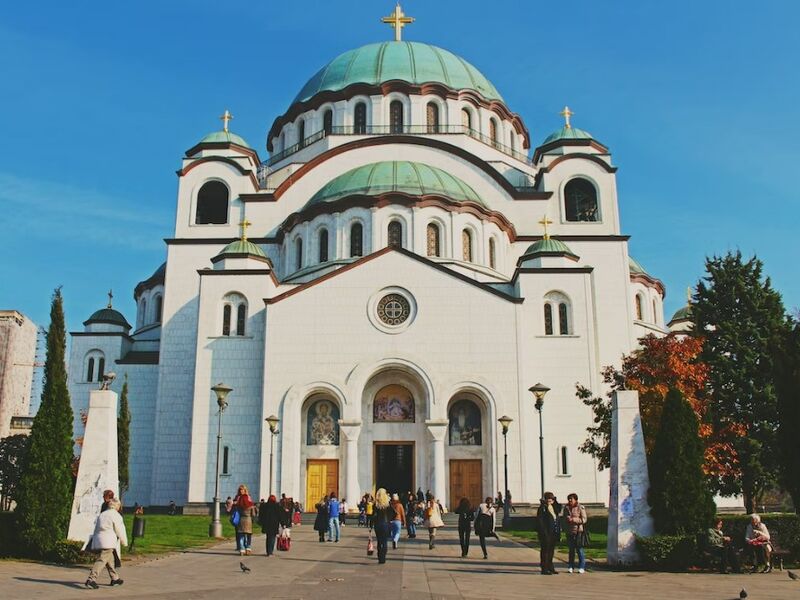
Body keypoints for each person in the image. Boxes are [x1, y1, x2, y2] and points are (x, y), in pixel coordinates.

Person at [85, 498, 127, 589]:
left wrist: (94, 542)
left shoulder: (102, 514)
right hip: (109, 541)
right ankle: (91, 579)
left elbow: (96, 529)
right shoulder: (116, 515)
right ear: (117, 506)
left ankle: (115, 578)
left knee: (110, 560)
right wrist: (124, 541)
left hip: (100, 539)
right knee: (102, 560)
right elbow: (120, 530)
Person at [536, 491, 561, 574]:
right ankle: (544, 568)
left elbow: (559, 509)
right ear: (545, 500)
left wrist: (555, 501)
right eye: (549, 500)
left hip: (554, 532)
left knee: (551, 550)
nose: (550, 502)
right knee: (545, 551)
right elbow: (540, 521)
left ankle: (550, 566)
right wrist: (544, 533)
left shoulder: (553, 507)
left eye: (551, 500)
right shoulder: (542, 508)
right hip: (546, 533)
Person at [562, 493, 588, 574]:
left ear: (575, 500)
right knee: (571, 550)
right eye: (569, 499)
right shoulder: (566, 508)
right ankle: (570, 566)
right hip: (569, 531)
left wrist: (573, 520)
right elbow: (564, 518)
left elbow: (584, 519)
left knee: (579, 550)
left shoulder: (580, 507)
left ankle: (581, 566)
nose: (570, 501)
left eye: (571, 499)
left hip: (578, 532)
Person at [235, 487, 257, 555]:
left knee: (241, 536)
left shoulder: (238, 505)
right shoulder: (250, 505)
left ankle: (242, 549)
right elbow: (253, 514)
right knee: (248, 535)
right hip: (248, 520)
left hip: (241, 520)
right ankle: (248, 548)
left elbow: (237, 512)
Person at [373, 488, 392, 564]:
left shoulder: (376, 505)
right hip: (385, 524)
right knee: (384, 542)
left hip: (377, 525)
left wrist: (371, 526)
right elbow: (392, 514)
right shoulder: (388, 504)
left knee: (379, 541)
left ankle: (379, 556)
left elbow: (372, 515)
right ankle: (383, 557)